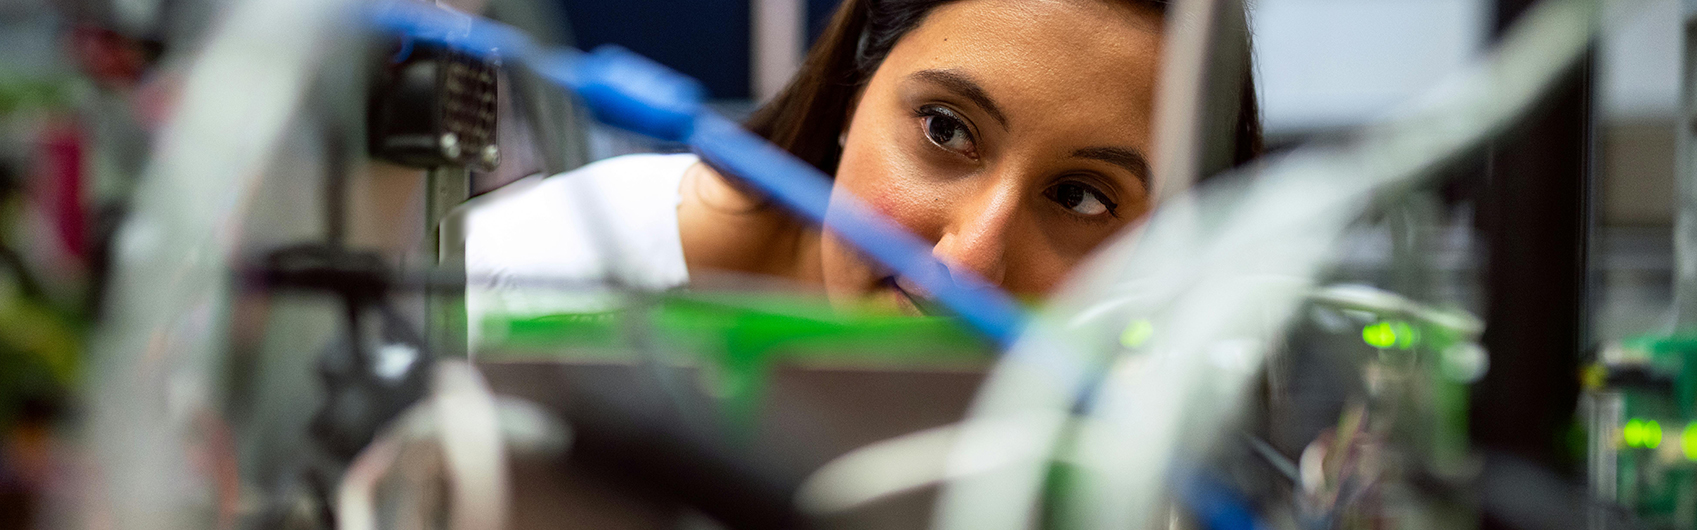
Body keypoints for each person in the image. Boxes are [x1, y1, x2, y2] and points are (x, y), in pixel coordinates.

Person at [466, 0, 1262, 339]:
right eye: (946, 131)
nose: (970, 258)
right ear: (852, 90)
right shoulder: (511, 287)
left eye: (1079, 196)